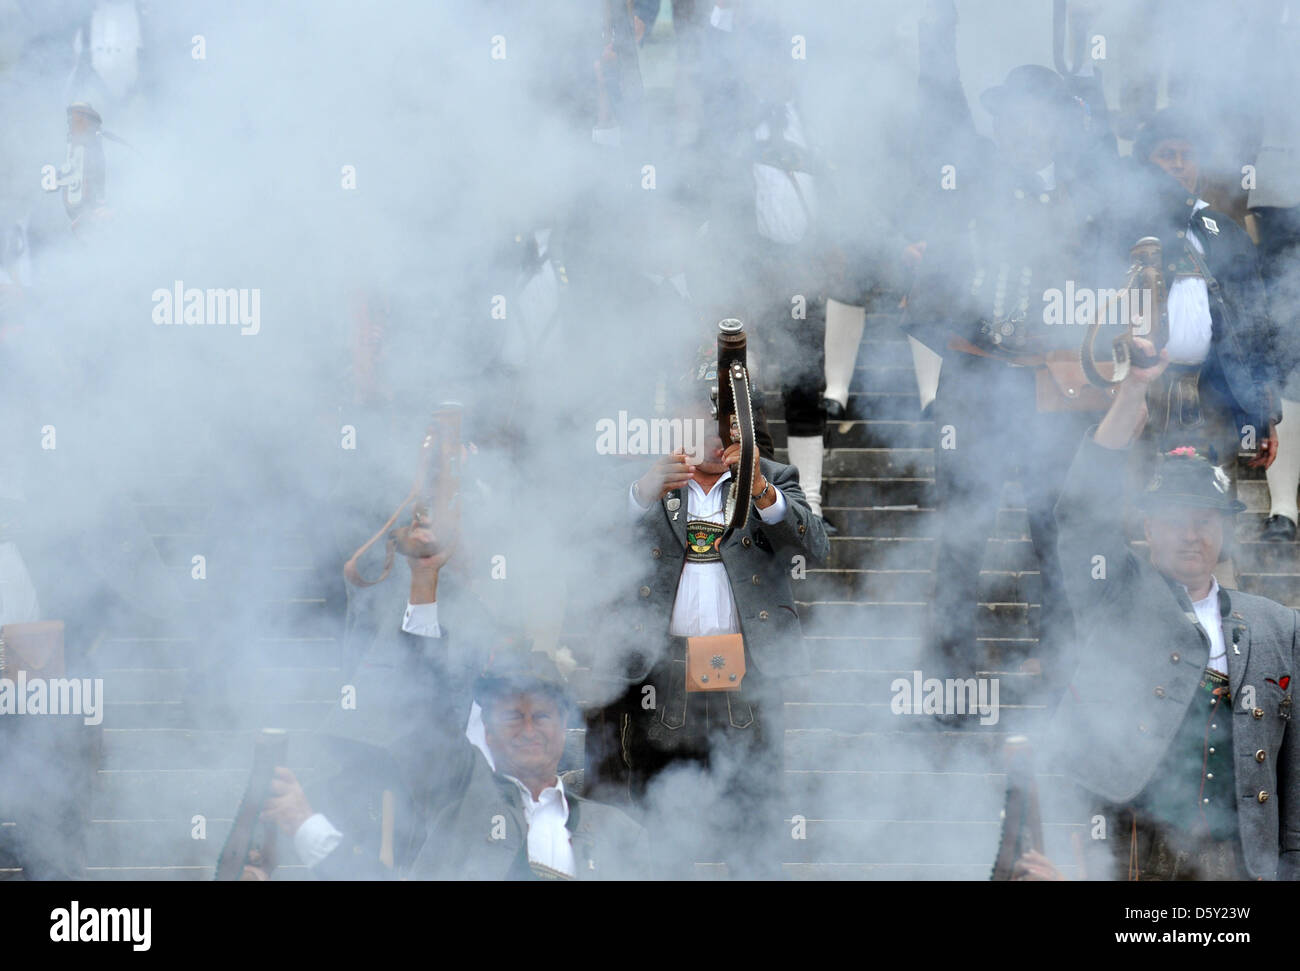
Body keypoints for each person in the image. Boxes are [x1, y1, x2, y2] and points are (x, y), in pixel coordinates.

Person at [1045, 337, 1298, 880]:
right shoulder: (1114, 594)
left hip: (1236, 857)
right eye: (1175, 518)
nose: (1191, 534)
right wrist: (1134, 386)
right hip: (1130, 841)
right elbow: (1081, 512)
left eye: (1206, 519)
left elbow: (1291, 778)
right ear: (1148, 528)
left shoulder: (1279, 626)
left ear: (1225, 530)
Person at [583, 342, 828, 878]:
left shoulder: (774, 480)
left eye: (725, 422)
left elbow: (816, 548)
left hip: (748, 679)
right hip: (661, 676)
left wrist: (762, 492)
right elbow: (589, 546)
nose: (714, 435)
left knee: (754, 825)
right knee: (658, 822)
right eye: (701, 419)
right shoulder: (649, 483)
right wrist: (640, 492)